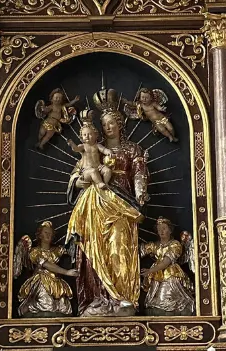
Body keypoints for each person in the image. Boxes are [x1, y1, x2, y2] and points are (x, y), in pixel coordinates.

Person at [66, 88, 149, 317]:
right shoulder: (93, 148)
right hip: (94, 204)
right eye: (104, 124)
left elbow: (139, 172)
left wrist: (140, 192)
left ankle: (122, 297)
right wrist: (79, 181)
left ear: (120, 124)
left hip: (121, 202)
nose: (107, 127)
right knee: (94, 248)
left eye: (111, 123)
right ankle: (98, 298)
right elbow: (77, 172)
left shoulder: (131, 149)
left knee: (118, 247)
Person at [13, 221, 78, 317]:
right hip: (42, 280)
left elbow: (72, 251)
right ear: (40, 235)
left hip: (56, 282)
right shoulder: (35, 252)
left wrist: (74, 239)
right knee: (46, 304)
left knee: (64, 308)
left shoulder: (57, 250)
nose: (48, 235)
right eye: (46, 233)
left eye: (51, 234)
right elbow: (46, 264)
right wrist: (67, 272)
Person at [140, 218, 195, 316]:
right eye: (159, 229)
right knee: (153, 303)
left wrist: (150, 270)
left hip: (170, 275)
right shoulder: (154, 245)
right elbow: (138, 251)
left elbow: (166, 262)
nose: (161, 231)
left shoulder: (175, 245)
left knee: (163, 301)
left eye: (164, 228)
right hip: (156, 277)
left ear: (170, 230)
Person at [67, 123, 113, 190]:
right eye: (84, 135)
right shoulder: (83, 146)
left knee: (107, 171)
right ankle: (100, 183)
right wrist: (72, 144)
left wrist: (109, 152)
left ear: (96, 135)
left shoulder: (97, 146)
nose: (87, 136)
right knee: (93, 171)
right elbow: (76, 149)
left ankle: (105, 184)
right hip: (87, 170)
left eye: (90, 134)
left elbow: (104, 150)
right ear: (81, 137)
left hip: (99, 167)